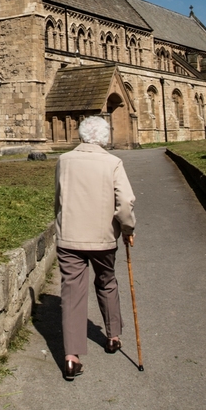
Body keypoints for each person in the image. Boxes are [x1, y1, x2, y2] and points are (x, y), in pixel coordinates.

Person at [53, 115, 136, 380]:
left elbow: (58, 197)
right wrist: (127, 229)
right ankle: (112, 337)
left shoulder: (64, 161)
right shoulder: (112, 162)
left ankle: (71, 356)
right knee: (107, 282)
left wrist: (62, 223)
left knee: (72, 292)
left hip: (70, 236)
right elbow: (124, 203)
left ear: (80, 135)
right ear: (104, 137)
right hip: (102, 237)